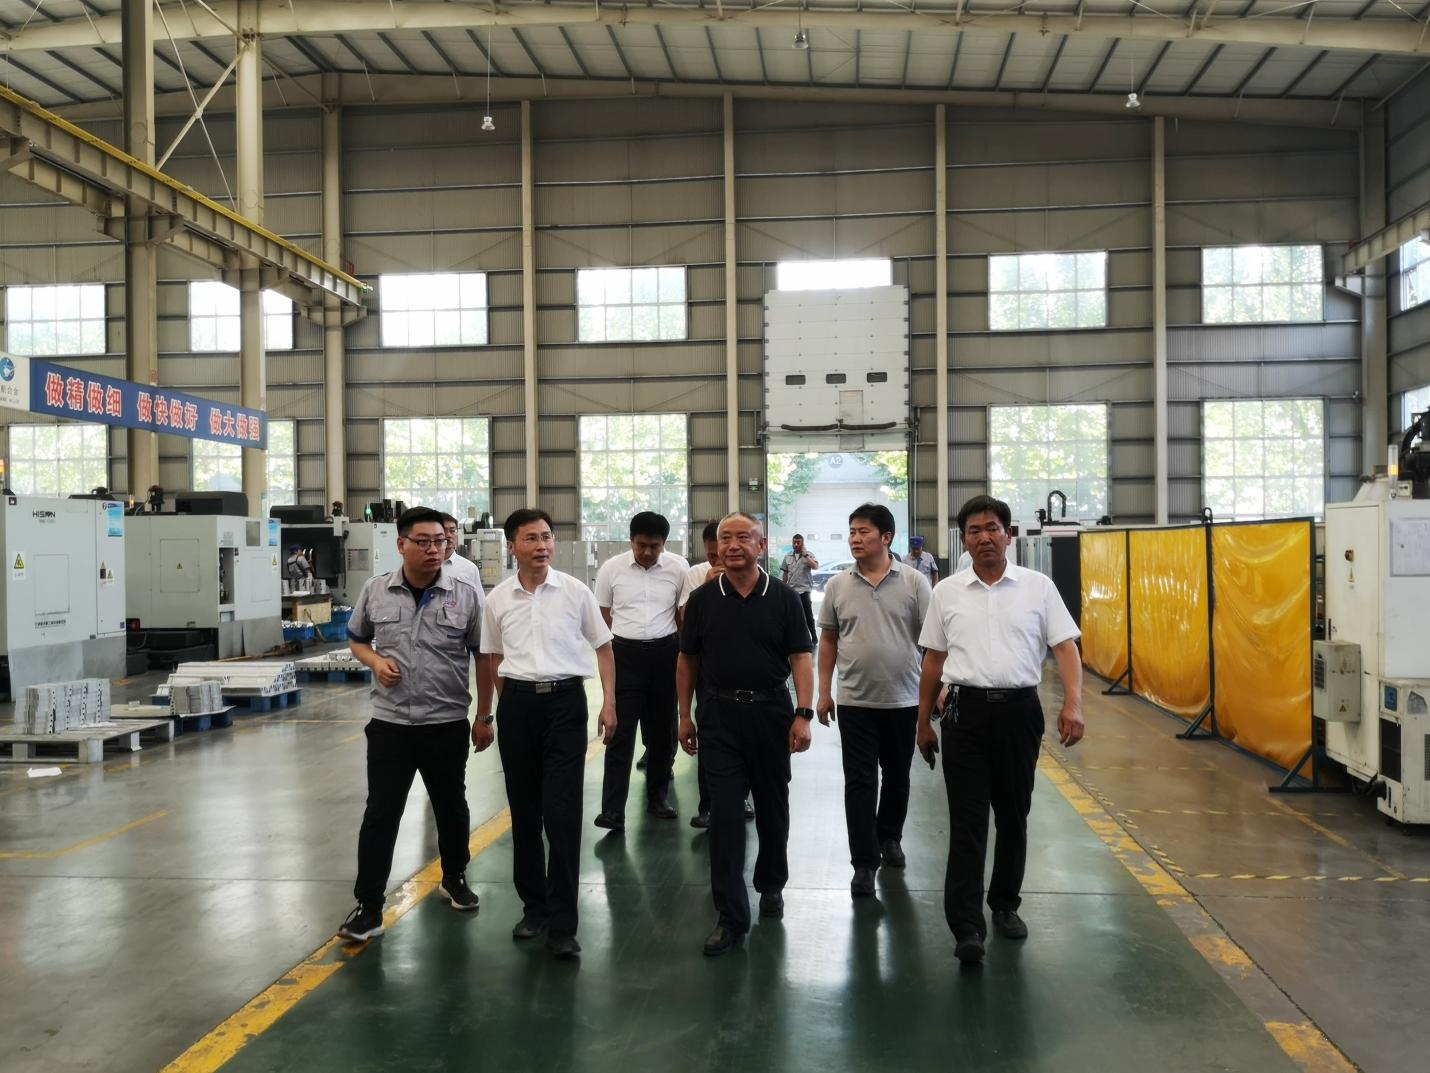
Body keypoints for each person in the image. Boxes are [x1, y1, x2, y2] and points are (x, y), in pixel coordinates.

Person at [916, 494, 1084, 966]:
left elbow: (1065, 647)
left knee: (1013, 816)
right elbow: (934, 660)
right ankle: (967, 926)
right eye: (974, 530)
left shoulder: (1038, 587)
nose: (984, 537)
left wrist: (1074, 703)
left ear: (1008, 535)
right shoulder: (947, 592)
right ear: (964, 540)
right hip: (964, 716)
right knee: (967, 822)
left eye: (992, 528)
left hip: (1019, 713)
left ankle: (1005, 904)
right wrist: (923, 721)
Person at [337, 507, 487, 942]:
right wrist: (375, 661)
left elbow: (484, 655)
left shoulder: (465, 594)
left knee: (450, 806)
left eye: (441, 541)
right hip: (391, 725)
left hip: (445, 721)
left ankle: (454, 877)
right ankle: (369, 907)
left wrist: (484, 715)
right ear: (401, 544)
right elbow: (357, 639)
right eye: (423, 542)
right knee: (381, 813)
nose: (434, 549)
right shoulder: (376, 590)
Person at [478, 508, 617, 960]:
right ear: (512, 547)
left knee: (562, 814)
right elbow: (492, 656)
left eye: (547, 537)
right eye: (531, 538)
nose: (542, 546)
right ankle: (533, 909)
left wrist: (609, 703)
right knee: (524, 812)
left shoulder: (575, 592)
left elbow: (604, 647)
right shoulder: (498, 599)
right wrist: (504, 705)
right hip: (518, 705)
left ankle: (562, 924)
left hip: (565, 705)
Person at [678, 512, 815, 957]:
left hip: (771, 715)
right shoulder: (702, 600)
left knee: (773, 807)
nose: (733, 545)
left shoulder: (784, 598)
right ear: (716, 547)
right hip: (718, 716)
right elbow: (687, 660)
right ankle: (731, 916)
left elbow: (801, 657)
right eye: (726, 538)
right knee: (726, 814)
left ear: (762, 545)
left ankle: (771, 883)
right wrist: (685, 715)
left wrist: (803, 713)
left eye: (743, 537)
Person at [817, 503, 931, 898]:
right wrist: (824, 692)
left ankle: (889, 836)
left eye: (863, 531)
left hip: (904, 699)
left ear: (886, 537)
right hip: (855, 701)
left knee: (897, 776)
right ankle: (864, 863)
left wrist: (933, 694)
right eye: (852, 531)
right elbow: (828, 640)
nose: (855, 538)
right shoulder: (838, 585)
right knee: (860, 782)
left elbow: (933, 643)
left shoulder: (915, 582)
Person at [592, 511, 689, 830]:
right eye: (641, 545)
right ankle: (612, 810)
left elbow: (681, 614)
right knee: (619, 732)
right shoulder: (611, 569)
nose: (647, 552)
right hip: (625, 656)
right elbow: (603, 614)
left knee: (663, 732)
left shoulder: (678, 568)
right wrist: (622, 640)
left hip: (665, 655)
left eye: (654, 546)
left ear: (664, 543)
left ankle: (658, 798)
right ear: (631, 540)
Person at [677, 521, 754, 830]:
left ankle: (743, 798)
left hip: (747, 679)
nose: (718, 560)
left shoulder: (756, 579)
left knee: (747, 745)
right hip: (710, 677)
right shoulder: (696, 577)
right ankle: (708, 805)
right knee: (710, 743)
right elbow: (685, 623)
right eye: (713, 555)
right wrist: (708, 587)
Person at [779, 533, 820, 642]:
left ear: (803, 543)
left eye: (798, 543)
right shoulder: (787, 556)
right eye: (794, 543)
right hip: (792, 590)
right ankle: (795, 637)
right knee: (792, 615)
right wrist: (783, 588)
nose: (796, 545)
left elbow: (815, 566)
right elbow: (785, 574)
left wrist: (805, 555)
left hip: (804, 590)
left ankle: (814, 636)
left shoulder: (809, 555)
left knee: (808, 615)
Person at [440, 513, 484, 589]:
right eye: (444, 531)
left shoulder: (470, 569)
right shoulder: (425, 566)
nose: (448, 535)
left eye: (452, 531)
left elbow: (478, 596)